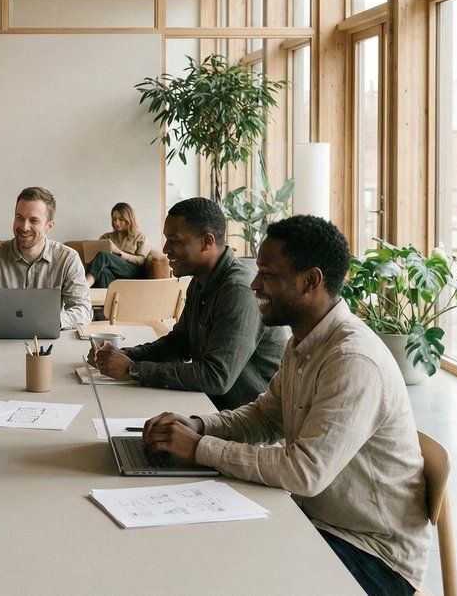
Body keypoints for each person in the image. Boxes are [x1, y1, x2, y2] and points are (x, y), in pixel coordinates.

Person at [142, 215, 429, 596]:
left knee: (221, 575)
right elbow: (265, 416)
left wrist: (200, 449)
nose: (255, 284)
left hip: (373, 556)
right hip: (318, 523)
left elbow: (303, 472)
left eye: (268, 274)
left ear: (311, 281)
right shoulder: (304, 341)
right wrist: (200, 426)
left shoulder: (353, 360)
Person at [87, 196, 284, 410]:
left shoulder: (238, 290)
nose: (165, 249)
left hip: (244, 418)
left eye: (174, 240)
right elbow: (179, 344)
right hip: (210, 404)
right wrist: (123, 355)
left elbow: (215, 377)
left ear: (207, 242)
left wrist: (133, 369)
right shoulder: (200, 282)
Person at [0, 186, 92, 330]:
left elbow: (83, 309)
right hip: (0, 338)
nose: (24, 227)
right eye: (19, 218)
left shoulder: (68, 259)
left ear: (49, 226)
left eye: (34, 220)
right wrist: (3, 323)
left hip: (48, 343)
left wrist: (50, 322)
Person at [84, 202, 152, 288]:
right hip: (112, 272)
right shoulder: (106, 237)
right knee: (103, 271)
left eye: (121, 219)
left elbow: (140, 261)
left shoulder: (140, 237)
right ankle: (104, 300)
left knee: (104, 256)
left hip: (132, 271)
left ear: (129, 219)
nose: (117, 223)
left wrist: (119, 252)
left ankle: (85, 286)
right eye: (114, 219)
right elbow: (97, 261)